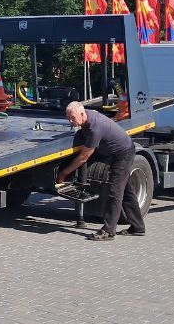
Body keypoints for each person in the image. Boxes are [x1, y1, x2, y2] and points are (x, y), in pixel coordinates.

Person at [57, 100, 146, 241]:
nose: (70, 121)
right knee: (127, 191)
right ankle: (138, 227)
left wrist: (64, 173)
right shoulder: (88, 116)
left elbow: (83, 158)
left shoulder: (94, 127)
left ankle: (108, 230)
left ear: (81, 114)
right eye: (68, 118)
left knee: (114, 191)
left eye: (72, 118)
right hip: (117, 152)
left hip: (123, 155)